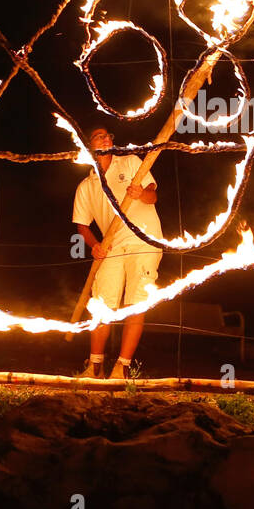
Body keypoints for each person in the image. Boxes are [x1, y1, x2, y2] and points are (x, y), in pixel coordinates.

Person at [72, 125, 163, 379]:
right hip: (111, 246)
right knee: (101, 304)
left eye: (107, 135)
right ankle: (95, 367)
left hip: (144, 240)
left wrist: (140, 193)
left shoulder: (132, 163)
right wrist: (95, 245)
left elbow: (153, 197)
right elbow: (82, 226)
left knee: (135, 303)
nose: (105, 137)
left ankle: (122, 368)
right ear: (90, 146)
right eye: (98, 135)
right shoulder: (86, 185)